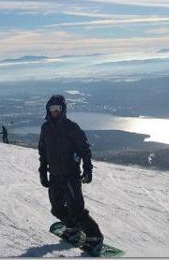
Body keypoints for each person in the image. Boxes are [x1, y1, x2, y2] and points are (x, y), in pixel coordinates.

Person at [38, 94, 103, 255]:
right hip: (54, 175)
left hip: (71, 176)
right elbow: (43, 152)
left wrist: (87, 169)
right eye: (51, 109)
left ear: (63, 110)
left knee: (76, 210)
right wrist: (42, 172)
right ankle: (72, 228)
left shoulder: (71, 127)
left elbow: (84, 149)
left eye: (57, 109)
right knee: (57, 208)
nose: (54, 111)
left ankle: (95, 237)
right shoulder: (45, 128)